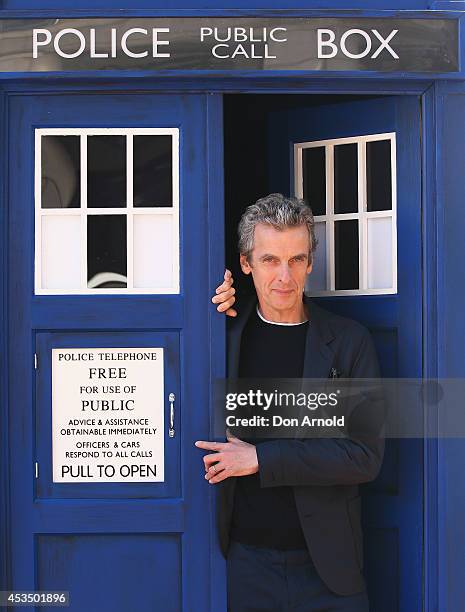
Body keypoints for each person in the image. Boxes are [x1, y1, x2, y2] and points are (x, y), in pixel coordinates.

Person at [195, 193, 384, 611]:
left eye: (297, 259)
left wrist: (260, 458)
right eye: (269, 260)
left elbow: (364, 456)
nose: (285, 275)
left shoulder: (350, 342)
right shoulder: (223, 339)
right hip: (245, 567)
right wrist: (201, 300)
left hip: (330, 571)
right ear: (245, 264)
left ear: (311, 262)